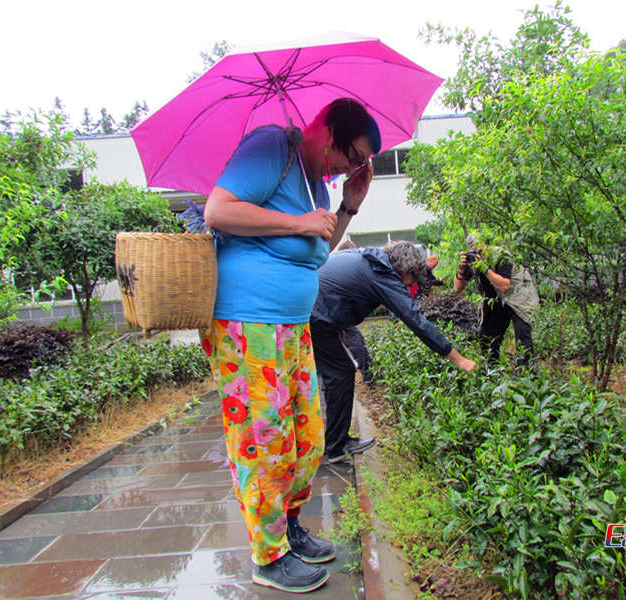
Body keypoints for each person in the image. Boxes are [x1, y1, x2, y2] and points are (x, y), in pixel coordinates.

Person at [198, 98, 380, 594]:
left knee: (307, 433)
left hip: (293, 325)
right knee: (264, 437)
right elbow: (219, 210)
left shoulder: (315, 181)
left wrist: (347, 205)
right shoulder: (273, 146)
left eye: (363, 162)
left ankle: (290, 529)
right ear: (327, 128)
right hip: (246, 322)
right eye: (354, 154)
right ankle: (268, 555)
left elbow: (318, 250)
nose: (354, 166)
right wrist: (299, 223)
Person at [311, 241, 477, 463]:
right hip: (314, 315)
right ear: (404, 270)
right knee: (340, 373)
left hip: (311, 310)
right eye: (413, 277)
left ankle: (327, 441)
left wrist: (336, 324)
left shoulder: (369, 259)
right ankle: (335, 446)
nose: (412, 283)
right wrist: (459, 359)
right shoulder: (383, 276)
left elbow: (340, 287)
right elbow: (416, 321)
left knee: (333, 372)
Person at [454, 235, 539, 368]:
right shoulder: (472, 260)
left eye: (479, 248)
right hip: (496, 300)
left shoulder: (500, 255)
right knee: (487, 336)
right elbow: (457, 288)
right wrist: (461, 268)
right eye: (473, 249)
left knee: (522, 334)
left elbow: (505, 286)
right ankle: (492, 371)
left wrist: (484, 268)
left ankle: (527, 373)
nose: (477, 252)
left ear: (485, 245)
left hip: (519, 295)